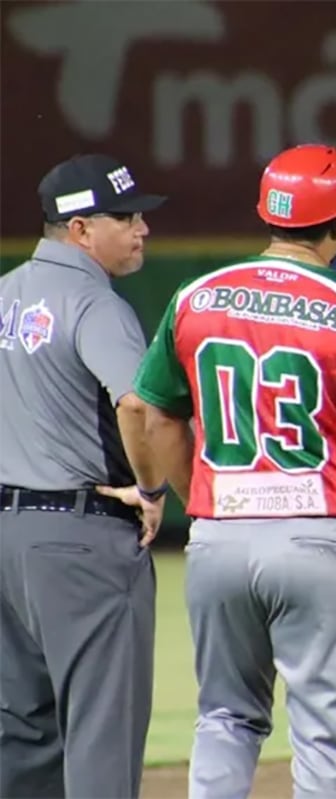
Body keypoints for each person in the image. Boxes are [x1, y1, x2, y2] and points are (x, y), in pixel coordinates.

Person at [131, 143, 336, 799]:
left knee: (224, 716)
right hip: (318, 534)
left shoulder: (196, 295)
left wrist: (206, 503)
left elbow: (154, 415)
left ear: (268, 214)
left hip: (220, 539)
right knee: (324, 732)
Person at [0, 154, 168, 797]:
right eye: (125, 216)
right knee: (101, 731)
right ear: (79, 229)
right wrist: (151, 491)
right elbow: (136, 403)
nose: (141, 228)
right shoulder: (94, 303)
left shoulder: (9, 294)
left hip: (10, 540)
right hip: (81, 537)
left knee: (23, 733)